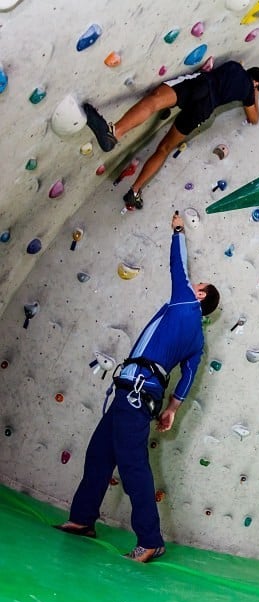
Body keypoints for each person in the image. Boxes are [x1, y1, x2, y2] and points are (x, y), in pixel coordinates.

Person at [55, 211, 220, 563]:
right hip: (131, 394)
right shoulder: (198, 340)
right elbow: (188, 377)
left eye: (198, 285)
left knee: (132, 467)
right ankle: (83, 519)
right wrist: (173, 410)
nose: (193, 285)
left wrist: (177, 229)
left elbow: (178, 266)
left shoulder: (185, 304)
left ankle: (151, 540)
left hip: (134, 395)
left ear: (201, 295)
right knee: (99, 455)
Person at [83, 61, 259, 209]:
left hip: (200, 85)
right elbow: (254, 118)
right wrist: (255, 95)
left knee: (154, 101)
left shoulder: (234, 66)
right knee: (165, 148)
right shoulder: (248, 92)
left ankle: (115, 132)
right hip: (204, 109)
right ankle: (135, 191)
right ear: (256, 83)